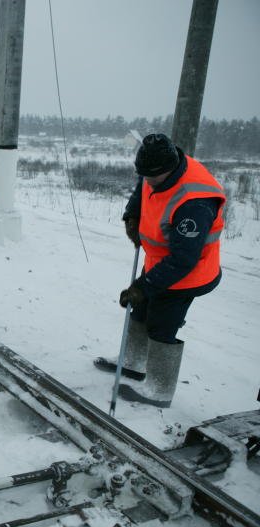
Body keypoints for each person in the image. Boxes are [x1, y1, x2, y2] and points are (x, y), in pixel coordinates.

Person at [94, 133, 225, 407]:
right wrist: (132, 216)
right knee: (140, 310)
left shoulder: (195, 203)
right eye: (143, 174)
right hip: (160, 261)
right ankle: (133, 362)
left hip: (188, 274)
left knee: (162, 325)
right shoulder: (159, 168)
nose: (147, 181)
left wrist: (142, 287)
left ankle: (160, 389)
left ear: (169, 169)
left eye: (152, 177)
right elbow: (142, 189)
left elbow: (183, 260)